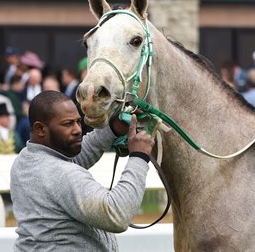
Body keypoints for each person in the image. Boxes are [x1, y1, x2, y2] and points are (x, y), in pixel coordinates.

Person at [10, 90, 155, 251]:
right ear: (40, 129)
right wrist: (139, 157)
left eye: (78, 121)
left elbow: (74, 159)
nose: (78, 129)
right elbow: (117, 214)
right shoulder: (61, 174)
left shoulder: (26, 159)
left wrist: (113, 128)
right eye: (67, 124)